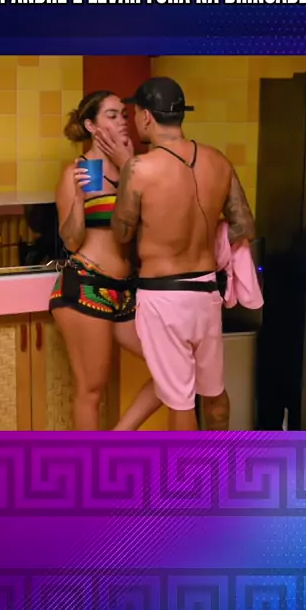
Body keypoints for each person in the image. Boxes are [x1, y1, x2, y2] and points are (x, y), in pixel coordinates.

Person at [110, 76, 256, 432]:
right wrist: (205, 233)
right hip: (206, 293)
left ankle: (184, 469)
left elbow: (121, 232)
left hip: (164, 297)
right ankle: (219, 461)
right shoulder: (218, 161)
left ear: (146, 116)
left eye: (134, 113)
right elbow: (244, 225)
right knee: (214, 392)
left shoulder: (139, 169)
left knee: (180, 400)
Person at [49, 89, 160, 431]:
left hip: (124, 290)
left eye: (124, 115)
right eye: (111, 115)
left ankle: (118, 439)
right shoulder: (77, 172)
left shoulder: (136, 168)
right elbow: (70, 240)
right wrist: (79, 199)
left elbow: (158, 221)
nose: (122, 121)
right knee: (92, 389)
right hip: (86, 286)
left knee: (171, 369)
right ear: (91, 126)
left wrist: (130, 167)